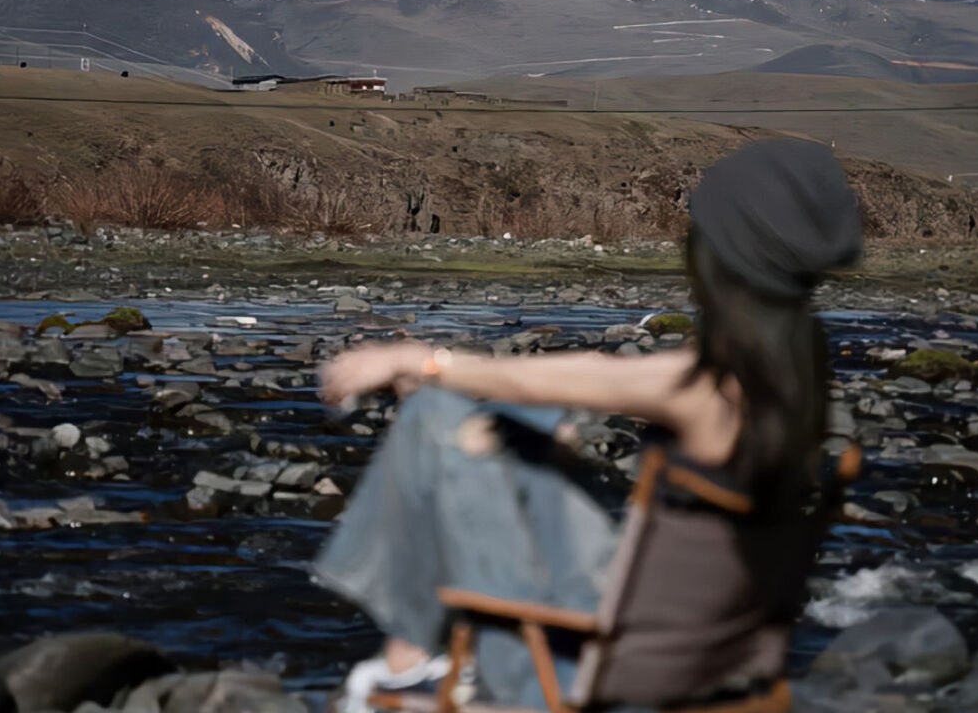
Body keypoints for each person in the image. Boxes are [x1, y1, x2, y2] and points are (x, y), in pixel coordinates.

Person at [314, 138, 863, 712]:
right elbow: (614, 378)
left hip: (619, 664)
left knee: (434, 413)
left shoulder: (707, 390)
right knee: (511, 423)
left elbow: (609, 379)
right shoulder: (798, 367)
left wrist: (424, 361)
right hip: (713, 647)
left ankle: (407, 665)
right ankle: (410, 654)